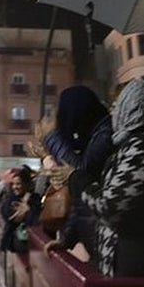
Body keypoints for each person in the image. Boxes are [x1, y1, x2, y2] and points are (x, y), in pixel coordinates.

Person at [67, 78, 144, 277]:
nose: (112, 113)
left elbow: (109, 206)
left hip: (139, 269)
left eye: (116, 106)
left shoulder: (141, 149)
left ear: (131, 108)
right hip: (129, 263)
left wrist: (76, 178)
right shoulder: (132, 147)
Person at [38, 85, 113, 266]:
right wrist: (68, 238)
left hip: (108, 243)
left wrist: (51, 139)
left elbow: (80, 175)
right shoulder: (92, 136)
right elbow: (80, 193)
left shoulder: (104, 135)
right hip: (97, 242)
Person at [0, 167, 39, 253]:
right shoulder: (10, 199)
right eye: (13, 184)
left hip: (30, 242)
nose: (15, 187)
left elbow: (36, 221)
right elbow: (8, 216)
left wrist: (27, 211)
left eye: (18, 184)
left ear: (26, 184)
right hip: (13, 240)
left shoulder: (35, 199)